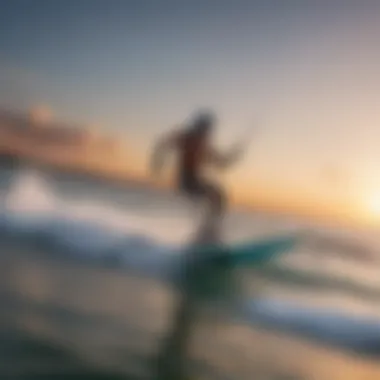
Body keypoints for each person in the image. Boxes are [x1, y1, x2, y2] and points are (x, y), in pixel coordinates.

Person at [150, 110, 247, 229]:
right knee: (216, 194)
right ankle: (209, 228)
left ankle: (209, 228)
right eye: (206, 129)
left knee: (218, 195)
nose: (207, 132)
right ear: (200, 126)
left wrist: (235, 153)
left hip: (195, 180)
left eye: (208, 129)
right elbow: (162, 144)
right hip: (186, 181)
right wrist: (157, 164)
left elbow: (221, 163)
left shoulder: (204, 145)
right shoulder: (187, 137)